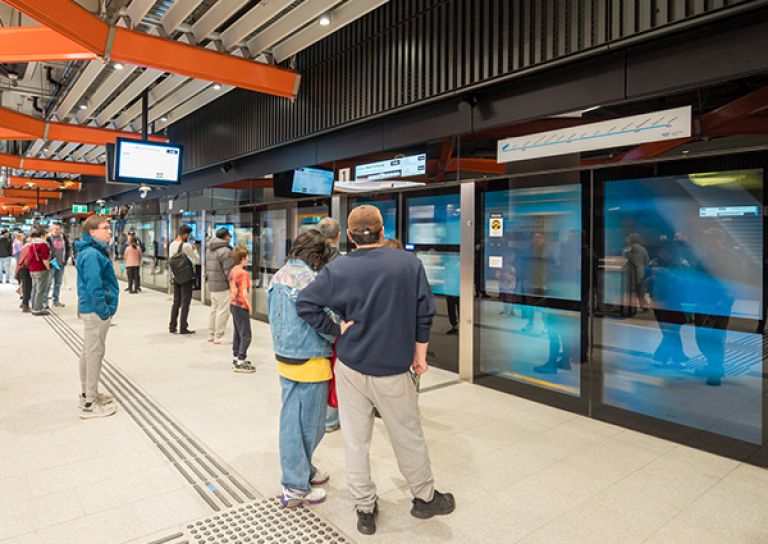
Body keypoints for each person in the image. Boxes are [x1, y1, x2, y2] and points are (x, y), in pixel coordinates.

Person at [297, 205, 455, 536]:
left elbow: (305, 303)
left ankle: (365, 509)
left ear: (350, 236)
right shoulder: (408, 264)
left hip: (351, 367)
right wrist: (420, 356)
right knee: (407, 436)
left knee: (356, 441)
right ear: (382, 232)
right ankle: (425, 498)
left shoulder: (338, 269)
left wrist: (334, 327)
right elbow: (425, 314)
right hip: (394, 370)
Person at [267, 230, 333, 507]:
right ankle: (295, 485)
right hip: (311, 357)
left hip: (284, 356)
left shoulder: (278, 275)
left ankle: (303, 470)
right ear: (316, 256)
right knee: (311, 425)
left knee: (292, 419)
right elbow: (327, 317)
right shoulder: (310, 279)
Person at [74, 215, 118, 419]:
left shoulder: (90, 251)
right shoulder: (92, 254)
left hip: (91, 308)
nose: (109, 231)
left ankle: (87, 394)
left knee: (88, 352)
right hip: (95, 310)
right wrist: (104, 310)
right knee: (94, 354)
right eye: (105, 228)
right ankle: (90, 403)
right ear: (92, 232)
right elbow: (94, 285)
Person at [317, 217, 342, 433]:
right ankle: (331, 419)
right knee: (333, 369)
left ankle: (322, 417)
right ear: (339, 235)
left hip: (313, 320)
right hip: (333, 321)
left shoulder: (309, 258)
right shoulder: (339, 261)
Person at [168, 224, 199, 335]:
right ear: (185, 234)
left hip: (176, 276)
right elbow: (196, 260)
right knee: (185, 302)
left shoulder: (172, 244)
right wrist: (195, 250)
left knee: (176, 301)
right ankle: (183, 327)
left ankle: (172, 326)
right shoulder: (186, 246)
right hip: (186, 277)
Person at [205, 228, 234, 344]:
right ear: (226, 237)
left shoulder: (210, 249)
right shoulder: (225, 251)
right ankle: (219, 336)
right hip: (222, 285)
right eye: (229, 236)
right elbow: (229, 271)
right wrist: (233, 285)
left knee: (214, 310)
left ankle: (211, 335)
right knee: (223, 311)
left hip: (212, 284)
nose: (230, 238)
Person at [229, 246, 255, 373]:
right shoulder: (243, 273)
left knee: (237, 333)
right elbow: (244, 293)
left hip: (233, 305)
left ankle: (236, 356)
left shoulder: (233, 270)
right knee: (246, 335)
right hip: (241, 306)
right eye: (247, 257)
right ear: (242, 259)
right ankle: (240, 360)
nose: (248, 259)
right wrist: (250, 306)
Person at [28, 226, 52, 316]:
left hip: (32, 269)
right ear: (42, 235)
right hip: (41, 269)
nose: (46, 237)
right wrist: (48, 267)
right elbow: (45, 259)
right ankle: (37, 309)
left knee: (34, 289)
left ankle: (33, 307)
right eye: (46, 235)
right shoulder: (43, 244)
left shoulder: (32, 244)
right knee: (40, 290)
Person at [45, 222, 71, 308]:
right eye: (54, 229)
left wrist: (66, 259)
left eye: (57, 229)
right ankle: (44, 301)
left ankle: (56, 300)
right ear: (51, 229)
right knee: (48, 283)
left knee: (58, 283)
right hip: (52, 263)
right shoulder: (47, 238)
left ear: (60, 230)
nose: (55, 230)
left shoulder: (63, 238)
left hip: (61, 263)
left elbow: (67, 249)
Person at [15, 238, 32, 313]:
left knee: (25, 286)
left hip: (21, 268)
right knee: (28, 287)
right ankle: (25, 305)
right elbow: (28, 260)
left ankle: (24, 303)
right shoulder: (30, 248)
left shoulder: (25, 247)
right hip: (26, 268)